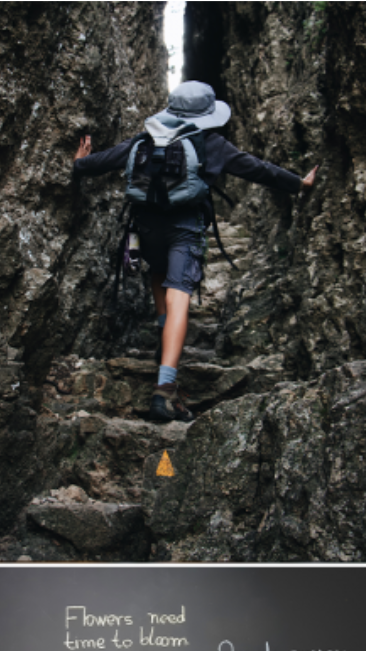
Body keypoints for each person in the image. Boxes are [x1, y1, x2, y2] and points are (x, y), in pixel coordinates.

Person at [73, 81, 317, 422]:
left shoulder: (145, 139)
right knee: (179, 299)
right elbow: (255, 168)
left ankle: (163, 348)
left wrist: (80, 163)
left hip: (146, 227)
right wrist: (298, 183)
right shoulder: (210, 143)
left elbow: (106, 160)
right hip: (184, 228)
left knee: (159, 278)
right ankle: (165, 391)